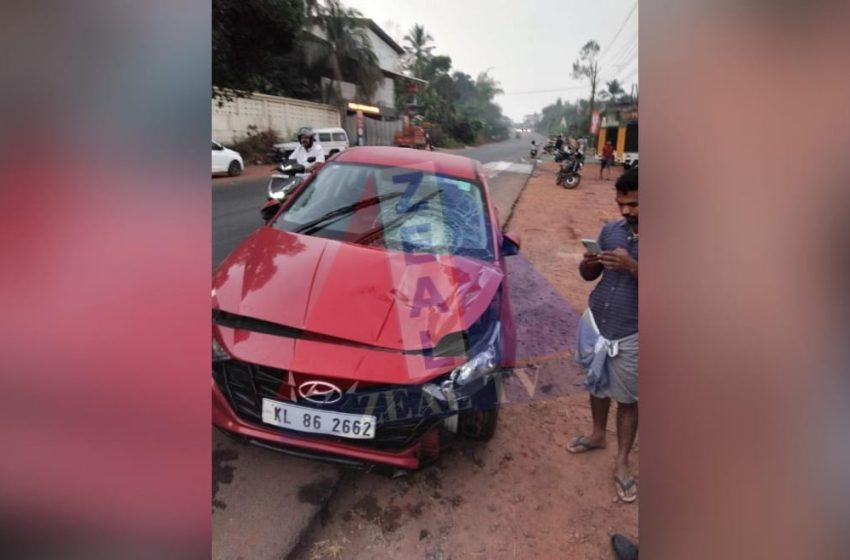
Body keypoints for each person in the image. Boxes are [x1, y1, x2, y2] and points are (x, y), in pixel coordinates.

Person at [568, 167, 639, 504]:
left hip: (633, 333)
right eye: (621, 203)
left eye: (634, 204)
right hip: (598, 322)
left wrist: (634, 268)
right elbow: (588, 275)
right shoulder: (611, 231)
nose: (625, 211)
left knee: (628, 399)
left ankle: (623, 461)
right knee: (596, 383)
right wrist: (590, 262)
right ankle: (598, 435)